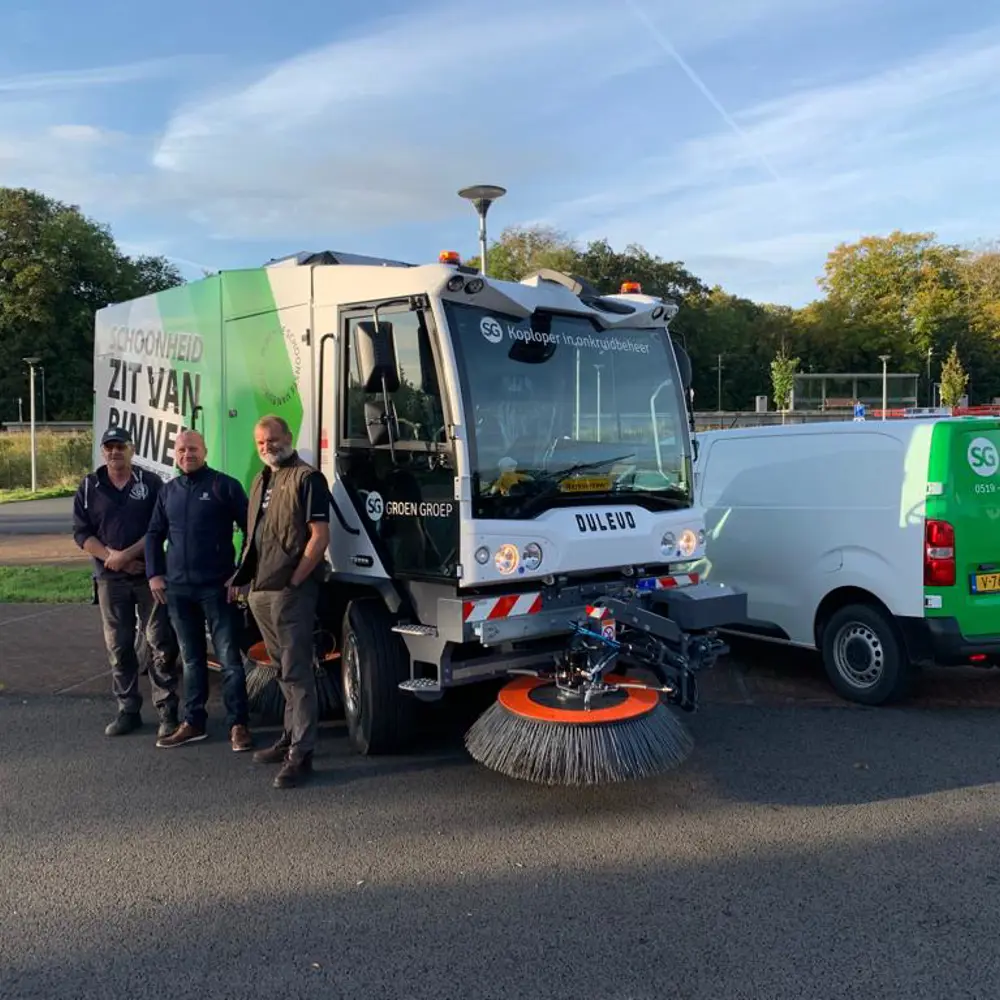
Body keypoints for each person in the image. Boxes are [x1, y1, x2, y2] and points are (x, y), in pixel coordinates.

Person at [231, 414, 331, 789]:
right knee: (280, 670)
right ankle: (289, 737)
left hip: (291, 590)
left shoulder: (307, 478)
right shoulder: (261, 479)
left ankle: (301, 755)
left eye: (272, 439)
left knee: (297, 671)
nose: (267, 447)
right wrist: (243, 580)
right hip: (261, 589)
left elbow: (319, 537)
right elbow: (256, 535)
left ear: (288, 437)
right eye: (260, 443)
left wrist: (295, 579)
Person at [145, 430, 254, 752]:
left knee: (229, 660)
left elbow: (253, 531)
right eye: (181, 450)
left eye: (192, 448)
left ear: (205, 451)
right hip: (177, 590)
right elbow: (153, 534)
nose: (186, 454)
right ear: (174, 454)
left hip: (217, 587)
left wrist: (240, 574)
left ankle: (239, 724)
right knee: (191, 661)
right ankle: (193, 722)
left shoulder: (225, 486)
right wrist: (154, 575)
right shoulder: (168, 491)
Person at [72, 426, 179, 738]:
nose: (115, 452)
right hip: (109, 580)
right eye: (110, 447)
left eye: (121, 446)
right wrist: (111, 557)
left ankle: (167, 711)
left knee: (160, 643)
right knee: (119, 647)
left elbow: (161, 526)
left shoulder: (151, 483)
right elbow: (81, 533)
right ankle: (127, 710)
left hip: (149, 577)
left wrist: (130, 555)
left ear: (132, 449)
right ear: (103, 451)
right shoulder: (90, 486)